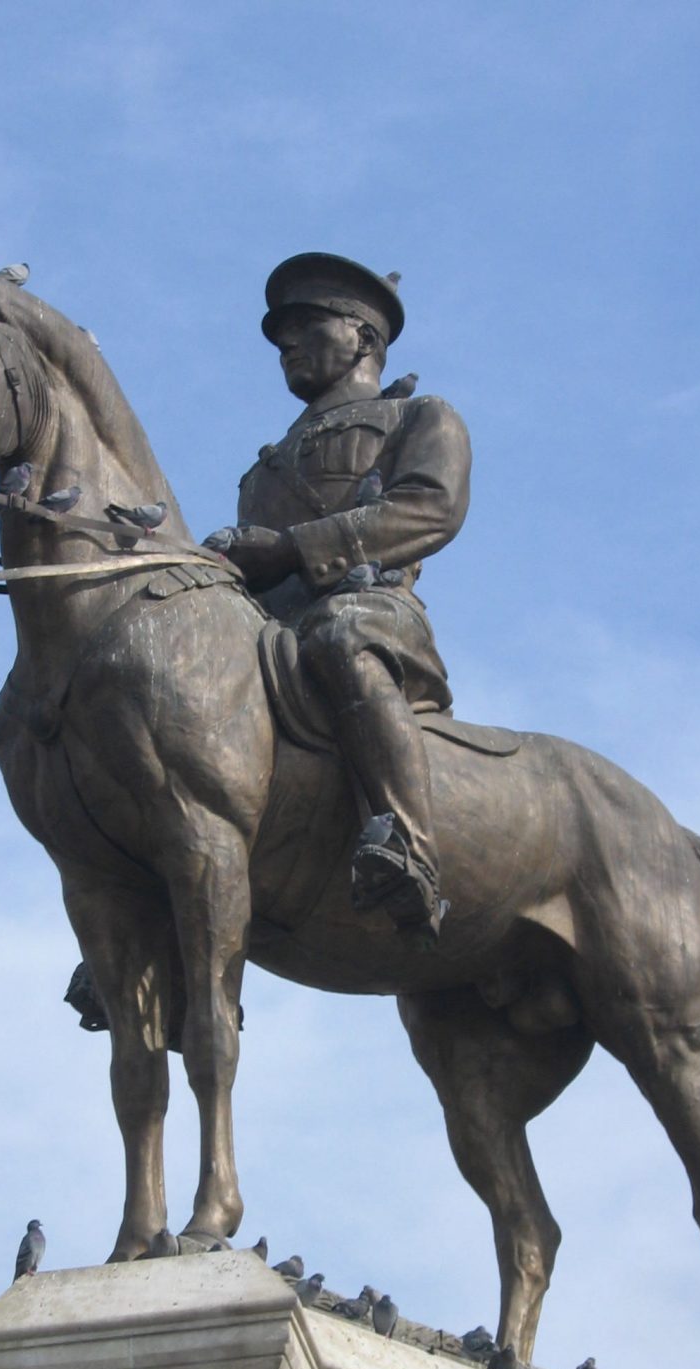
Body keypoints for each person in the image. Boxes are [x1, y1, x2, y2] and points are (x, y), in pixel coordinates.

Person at [210, 253, 471, 944]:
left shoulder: (419, 417)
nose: (287, 345)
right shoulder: (261, 469)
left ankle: (407, 845)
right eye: (279, 336)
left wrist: (294, 549)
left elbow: (430, 512)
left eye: (306, 326)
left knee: (338, 637)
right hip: (269, 630)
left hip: (371, 610)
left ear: (363, 337)